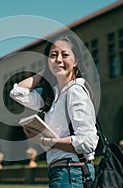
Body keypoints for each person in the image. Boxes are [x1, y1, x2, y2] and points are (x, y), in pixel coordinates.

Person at [10, 33, 99, 187]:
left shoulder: (75, 90)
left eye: (64, 55)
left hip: (72, 173)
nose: (58, 59)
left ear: (76, 60)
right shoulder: (53, 95)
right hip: (61, 172)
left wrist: (45, 141)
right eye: (53, 55)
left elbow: (87, 142)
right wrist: (46, 71)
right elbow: (17, 92)